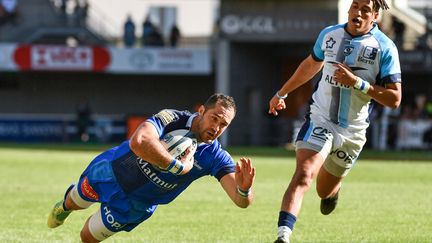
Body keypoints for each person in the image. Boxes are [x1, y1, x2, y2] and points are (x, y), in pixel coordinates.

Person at [268, 1, 401, 242]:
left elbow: (394, 98)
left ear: (375, 15)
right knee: (304, 174)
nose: (358, 13)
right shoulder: (329, 35)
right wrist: (282, 93)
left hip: (353, 131)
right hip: (320, 118)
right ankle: (283, 235)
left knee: (323, 190)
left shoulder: (384, 47)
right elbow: (311, 64)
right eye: (355, 6)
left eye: (365, 9)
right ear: (348, 9)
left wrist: (357, 83)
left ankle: (333, 192)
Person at [47, 93, 256, 242]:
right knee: (75, 202)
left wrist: (244, 189)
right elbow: (139, 142)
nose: (216, 128)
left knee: (87, 237)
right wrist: (177, 166)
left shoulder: (215, 156)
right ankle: (63, 207)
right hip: (112, 172)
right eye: (214, 118)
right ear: (201, 111)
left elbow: (240, 200)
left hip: (136, 204)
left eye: (224, 124)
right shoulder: (173, 118)